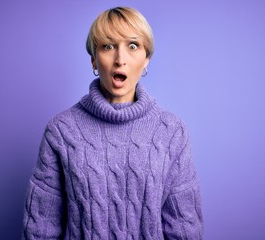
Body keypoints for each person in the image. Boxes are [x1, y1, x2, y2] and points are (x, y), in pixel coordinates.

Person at [22, 6, 203, 239]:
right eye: (108, 46)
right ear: (94, 61)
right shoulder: (61, 131)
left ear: (146, 59)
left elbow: (184, 227)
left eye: (133, 46)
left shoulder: (171, 132)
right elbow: (41, 227)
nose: (120, 59)